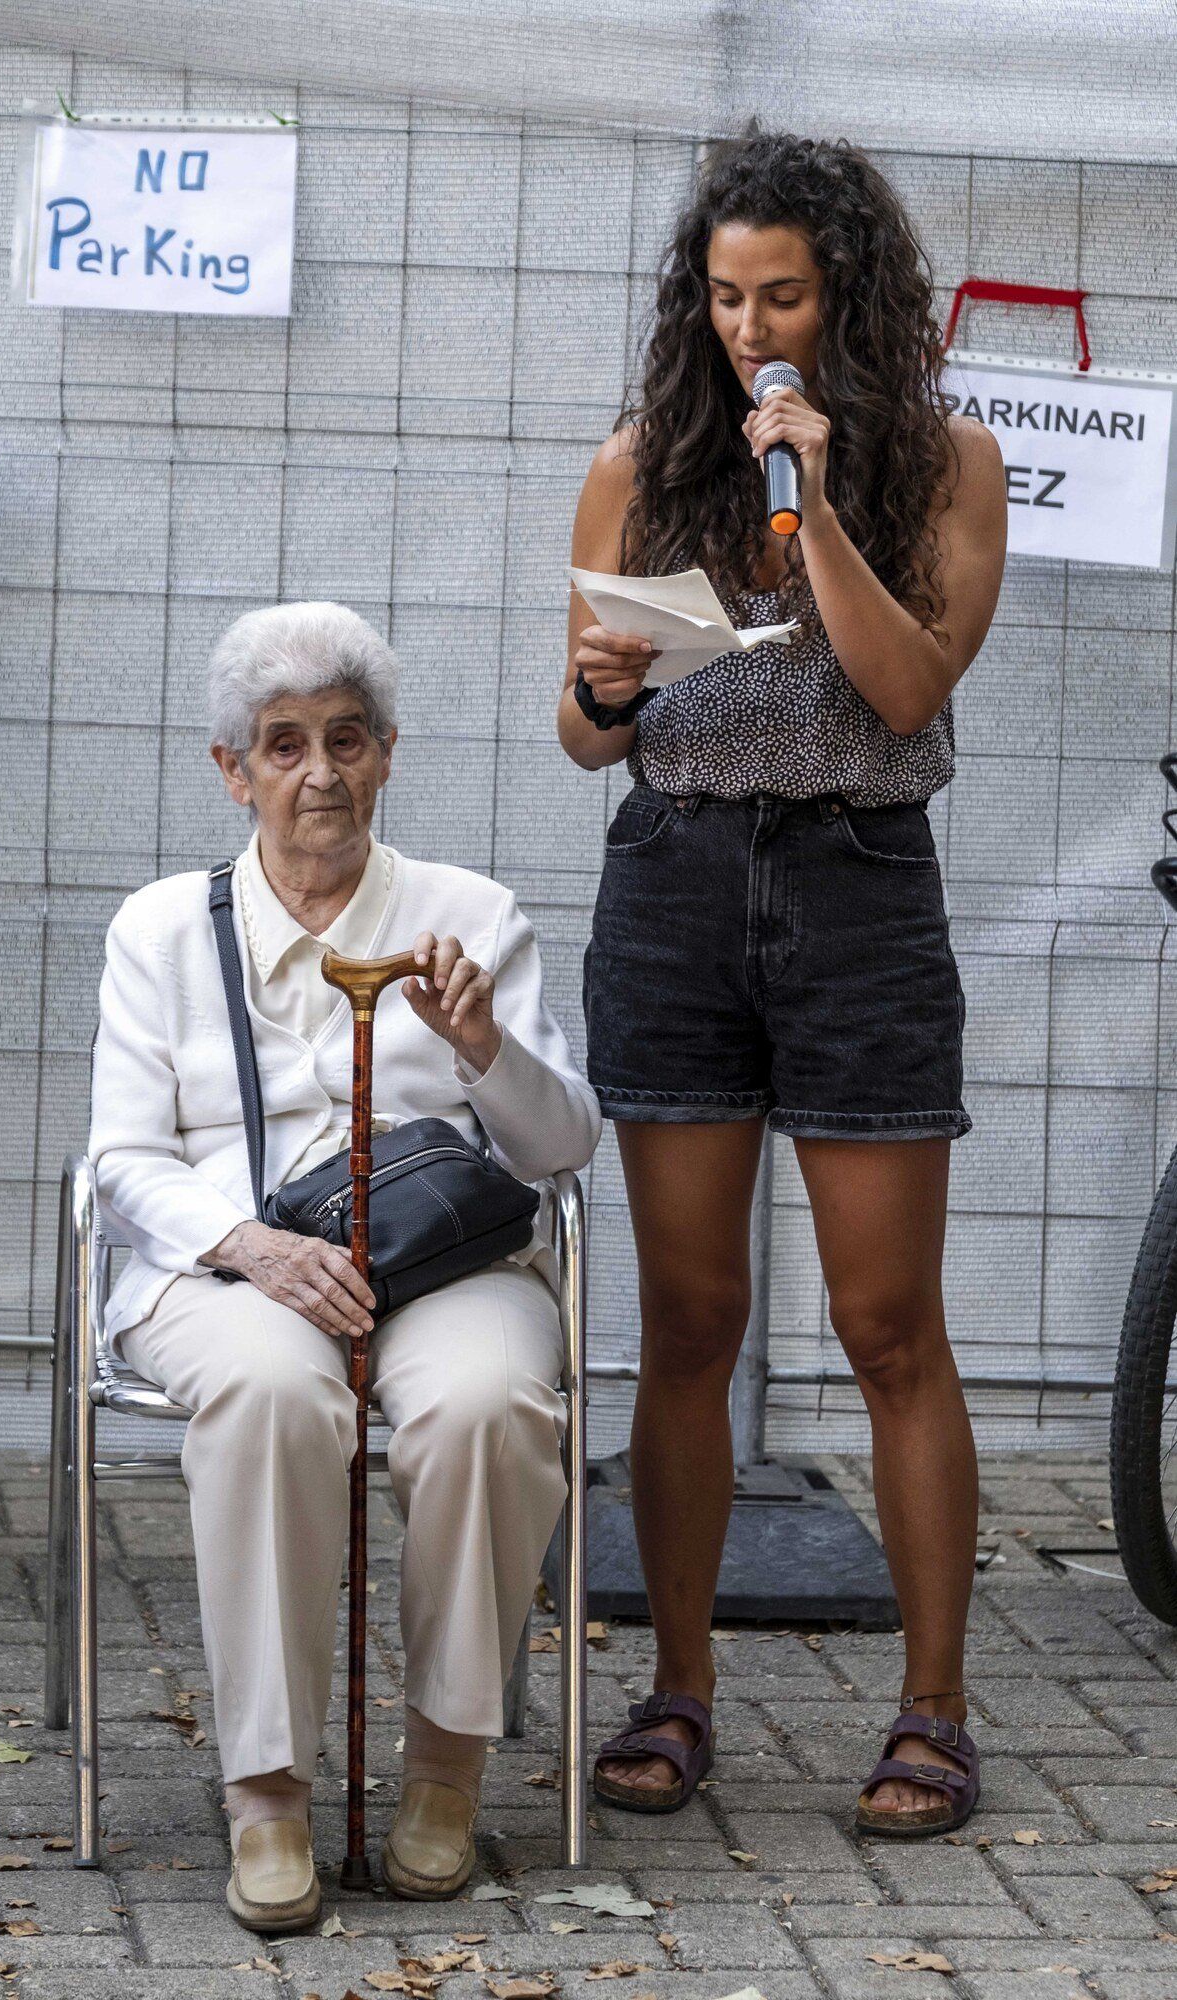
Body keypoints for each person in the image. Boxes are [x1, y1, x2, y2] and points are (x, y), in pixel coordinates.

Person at [558, 132, 1007, 1836]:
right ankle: (677, 1688)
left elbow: (901, 695)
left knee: (891, 1327)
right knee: (688, 1322)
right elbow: (581, 732)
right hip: (674, 885)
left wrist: (809, 506)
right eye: (727, 297)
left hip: (855, 887)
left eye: (786, 299)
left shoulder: (944, 465)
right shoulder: (636, 466)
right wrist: (602, 686)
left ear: (852, 302)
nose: (753, 331)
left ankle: (932, 1706)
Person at [88, 601, 601, 1929]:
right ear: (232, 768)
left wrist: (484, 1044)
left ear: (385, 753)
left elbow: (558, 1149)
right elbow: (122, 1160)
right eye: (282, 744)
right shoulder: (157, 931)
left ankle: (444, 1767)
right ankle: (266, 1792)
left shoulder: (469, 914)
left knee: (487, 1402)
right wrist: (247, 1244)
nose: (317, 773)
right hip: (225, 1272)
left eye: (346, 739)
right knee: (273, 1395)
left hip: (440, 1261)